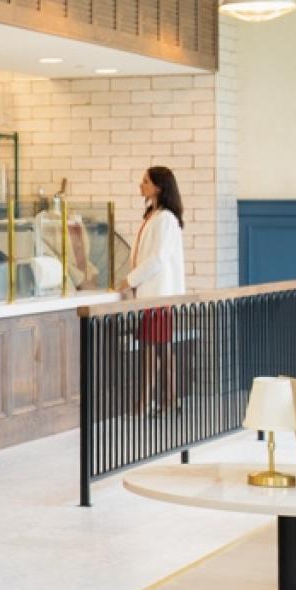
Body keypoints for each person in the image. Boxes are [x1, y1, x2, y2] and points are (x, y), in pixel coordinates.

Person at [125, 165, 187, 415]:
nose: (141, 186)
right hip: (151, 295)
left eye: (145, 182)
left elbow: (157, 258)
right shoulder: (153, 215)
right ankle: (170, 399)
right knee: (159, 348)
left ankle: (145, 402)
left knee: (153, 348)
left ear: (159, 187)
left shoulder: (166, 219)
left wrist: (129, 280)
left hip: (158, 296)